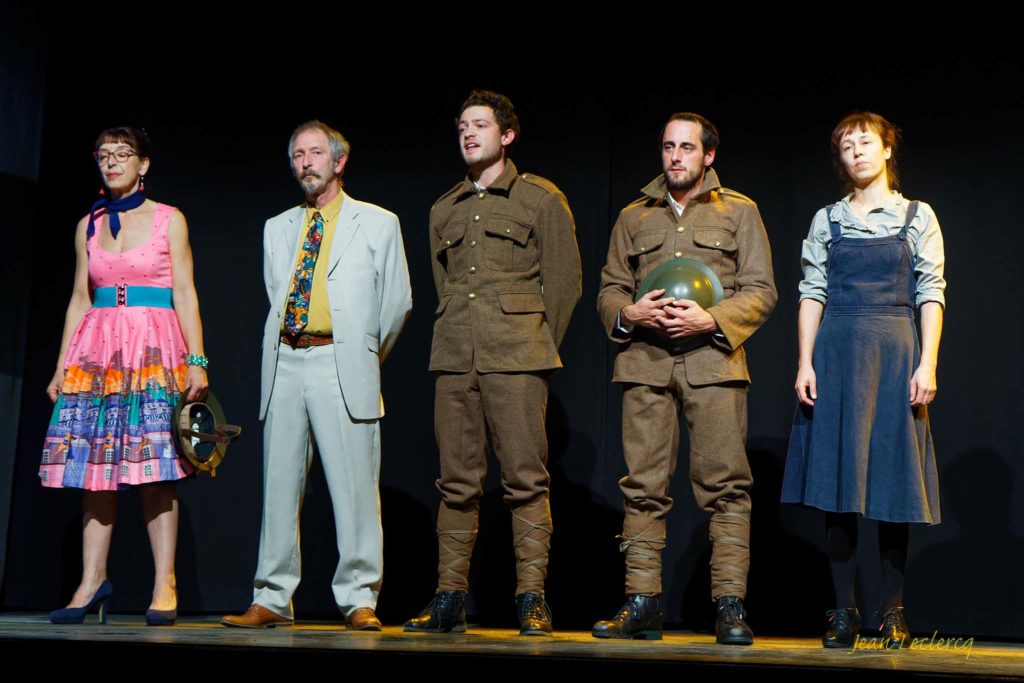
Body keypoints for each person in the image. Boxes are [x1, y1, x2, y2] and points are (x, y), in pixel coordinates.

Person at [594, 113, 776, 644]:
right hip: (645, 363)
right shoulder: (633, 216)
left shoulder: (739, 211)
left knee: (726, 487)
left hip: (714, 364)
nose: (676, 157)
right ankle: (642, 601)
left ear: (708, 155)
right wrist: (630, 313)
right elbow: (609, 289)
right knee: (643, 486)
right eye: (669, 147)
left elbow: (761, 290)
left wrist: (711, 319)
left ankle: (729, 606)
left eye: (687, 148)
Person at [222, 121, 412, 630]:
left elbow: (396, 304)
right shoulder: (278, 226)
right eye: (297, 156)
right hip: (286, 360)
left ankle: (359, 598)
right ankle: (271, 596)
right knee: (279, 486)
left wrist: (360, 355)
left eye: (315, 153)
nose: (305, 163)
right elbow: (276, 293)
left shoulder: (378, 223)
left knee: (354, 488)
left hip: (339, 360)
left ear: (338, 161)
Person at [404, 90, 581, 636]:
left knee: (525, 479)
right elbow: (445, 286)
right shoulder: (444, 209)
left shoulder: (540, 200)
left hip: (518, 357)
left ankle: (531, 597)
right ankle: (449, 597)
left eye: (479, 125)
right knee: (456, 482)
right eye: (462, 125)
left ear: (507, 135)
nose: (468, 133)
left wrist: (531, 344)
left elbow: (565, 285)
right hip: (456, 356)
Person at [782, 112, 944, 649]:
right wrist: (805, 362)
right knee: (839, 483)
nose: (856, 152)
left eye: (865, 142)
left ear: (887, 149)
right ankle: (844, 612)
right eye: (847, 146)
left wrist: (928, 362)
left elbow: (931, 291)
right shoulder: (827, 219)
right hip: (837, 354)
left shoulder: (917, 215)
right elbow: (812, 292)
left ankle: (893, 612)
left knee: (894, 484)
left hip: (896, 353)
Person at [43, 126, 208, 626]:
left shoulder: (168, 219)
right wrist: (62, 365)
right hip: (97, 351)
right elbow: (79, 298)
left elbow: (185, 291)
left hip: (153, 347)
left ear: (144, 164)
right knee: (94, 469)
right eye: (104, 155)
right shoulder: (88, 225)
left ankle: (164, 584)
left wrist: (197, 359)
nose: (112, 162)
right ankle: (92, 581)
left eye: (123, 153)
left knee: (155, 469)